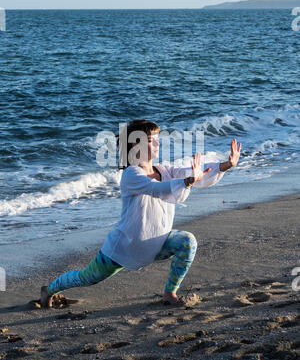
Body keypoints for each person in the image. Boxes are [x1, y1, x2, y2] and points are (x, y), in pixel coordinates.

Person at [41, 119, 241, 307]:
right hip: (125, 247)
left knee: (188, 241)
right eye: (152, 141)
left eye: (158, 140)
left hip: (158, 241)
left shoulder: (164, 170)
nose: (158, 145)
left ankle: (170, 293)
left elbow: (194, 172)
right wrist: (189, 181)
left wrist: (227, 165)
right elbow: (157, 189)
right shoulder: (131, 174)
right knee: (86, 278)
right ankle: (48, 290)